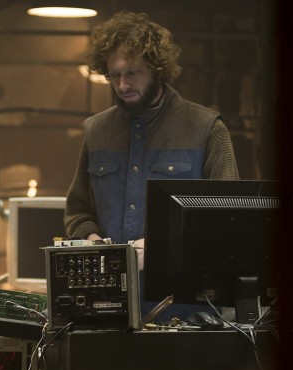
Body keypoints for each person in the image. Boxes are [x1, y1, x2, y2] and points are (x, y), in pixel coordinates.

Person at [64, 11, 239, 321]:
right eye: (114, 74)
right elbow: (78, 212)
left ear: (158, 69)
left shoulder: (207, 128)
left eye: (132, 73)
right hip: (108, 309)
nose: (122, 85)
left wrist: (161, 247)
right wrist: (94, 244)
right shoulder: (96, 131)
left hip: (187, 314)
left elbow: (229, 219)